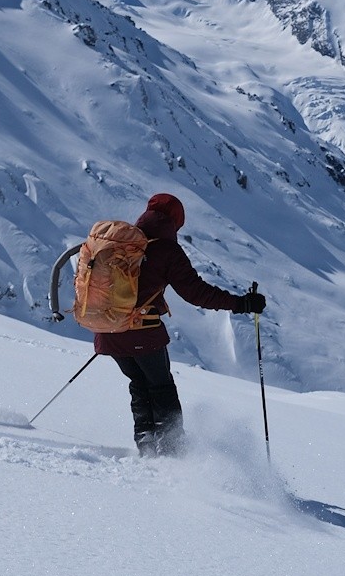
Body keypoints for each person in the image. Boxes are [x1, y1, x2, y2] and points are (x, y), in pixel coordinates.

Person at [94, 192, 265, 456]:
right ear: (175, 221)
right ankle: (173, 450)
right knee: (161, 386)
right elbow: (197, 293)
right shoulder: (166, 249)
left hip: (108, 331)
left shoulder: (123, 243)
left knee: (139, 384)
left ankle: (147, 445)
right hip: (142, 331)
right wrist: (242, 304)